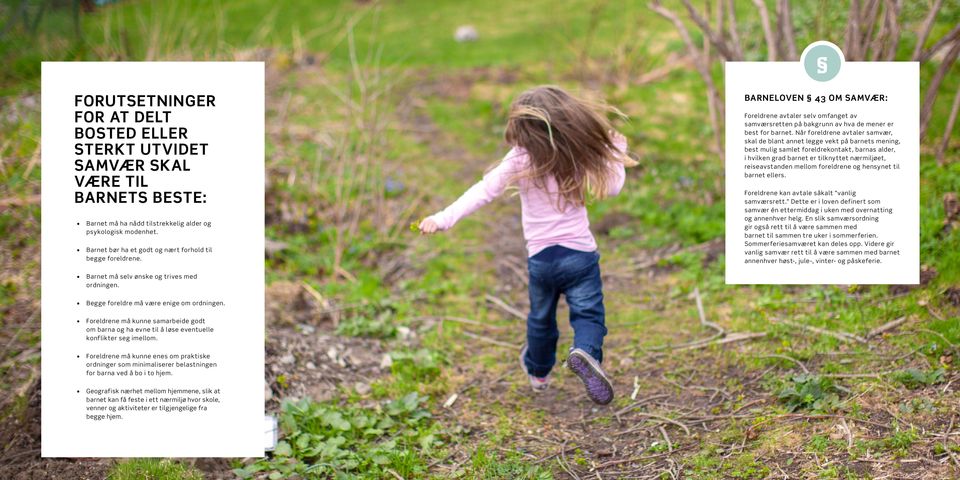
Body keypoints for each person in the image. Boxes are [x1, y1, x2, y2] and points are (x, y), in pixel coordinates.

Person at [419, 85, 633, 405]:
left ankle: (538, 372)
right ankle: (585, 353)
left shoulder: (519, 159)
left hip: (543, 261)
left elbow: (482, 191)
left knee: (541, 318)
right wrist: (615, 149)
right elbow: (614, 187)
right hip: (581, 257)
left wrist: (442, 218)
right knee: (588, 315)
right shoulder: (575, 153)